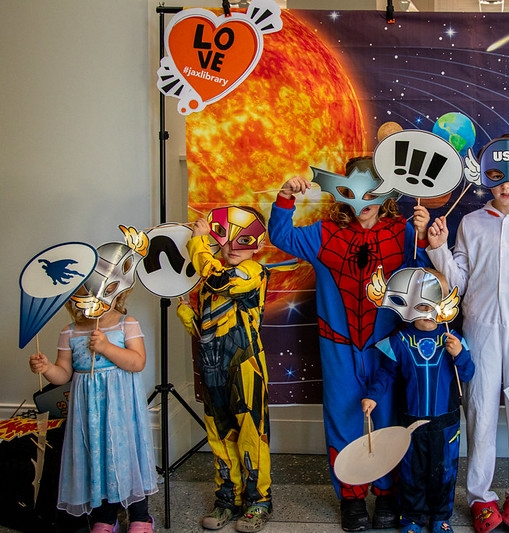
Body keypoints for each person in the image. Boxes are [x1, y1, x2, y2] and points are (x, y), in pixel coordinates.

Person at [268, 156, 432, 531]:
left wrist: (424, 236)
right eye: (355, 192)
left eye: (373, 192)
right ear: (341, 192)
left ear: (387, 192)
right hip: (338, 344)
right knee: (343, 418)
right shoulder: (324, 234)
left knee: (388, 417)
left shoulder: (402, 232)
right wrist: (285, 199)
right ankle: (351, 497)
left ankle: (387, 493)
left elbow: (425, 276)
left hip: (388, 343)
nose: (364, 201)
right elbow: (281, 236)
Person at [426, 136, 509, 533]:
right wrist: (438, 250)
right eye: (497, 177)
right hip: (480, 332)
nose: (506, 185)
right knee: (480, 415)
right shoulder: (471, 223)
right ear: (485, 178)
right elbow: (459, 283)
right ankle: (481, 496)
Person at [29, 285, 157, 533]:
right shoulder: (70, 332)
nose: (91, 304)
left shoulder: (126, 324)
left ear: (115, 295)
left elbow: (137, 362)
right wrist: (46, 368)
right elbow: (63, 373)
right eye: (83, 298)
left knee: (129, 456)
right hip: (88, 414)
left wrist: (107, 347)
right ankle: (105, 518)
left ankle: (140, 515)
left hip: (122, 412)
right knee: (95, 458)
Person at [176, 206, 272, 532]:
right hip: (212, 368)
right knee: (219, 437)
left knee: (250, 436)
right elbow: (212, 326)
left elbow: (219, 281)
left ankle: (258, 501)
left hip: (245, 367)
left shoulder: (253, 271)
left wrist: (199, 243)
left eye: (242, 239)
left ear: (256, 243)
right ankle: (225, 501)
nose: (231, 246)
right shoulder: (206, 282)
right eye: (225, 237)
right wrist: (191, 319)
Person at [361, 267, 475, 533]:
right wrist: (372, 396)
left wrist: (460, 355)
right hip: (411, 422)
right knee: (411, 472)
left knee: (444, 473)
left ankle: (439, 517)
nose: (427, 306)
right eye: (421, 299)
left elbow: (468, 373)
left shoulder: (452, 339)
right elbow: (385, 374)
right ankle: (411, 517)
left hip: (445, 424)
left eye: (434, 298)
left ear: (445, 303)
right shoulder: (400, 340)